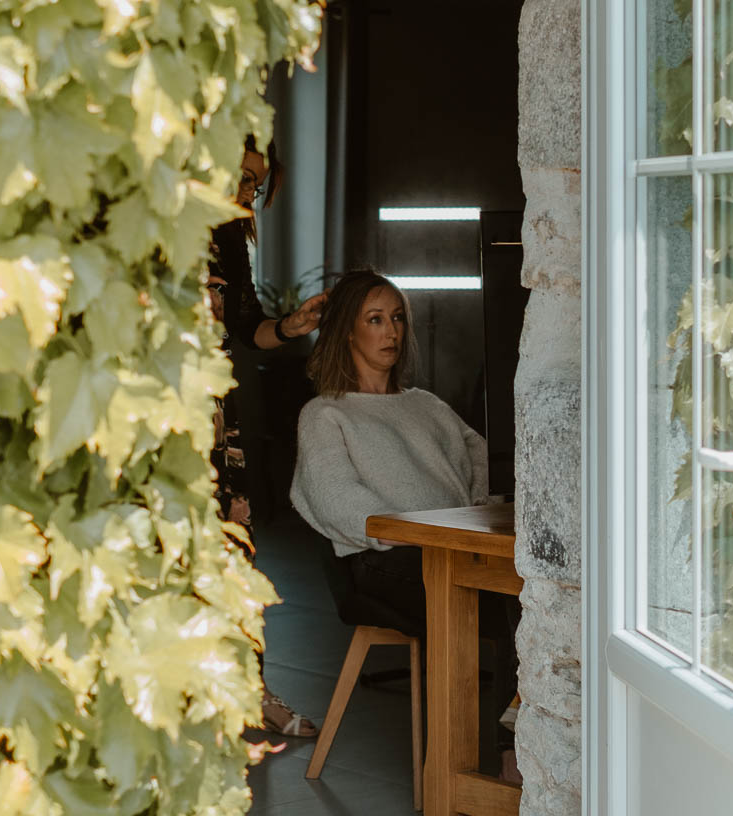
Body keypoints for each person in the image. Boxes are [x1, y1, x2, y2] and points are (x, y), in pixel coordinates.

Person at [289, 271, 519, 778]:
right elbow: (336, 498)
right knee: (490, 596)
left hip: (448, 550)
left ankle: (512, 752)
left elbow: (480, 452)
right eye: (375, 320)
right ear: (347, 332)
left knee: (526, 593)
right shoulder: (325, 413)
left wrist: (473, 510)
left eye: (396, 318)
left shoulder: (427, 406)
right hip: (376, 563)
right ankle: (469, 773)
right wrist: (421, 532)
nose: (390, 331)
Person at [208, 137, 326, 738]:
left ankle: (248, 690)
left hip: (221, 421)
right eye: (242, 175)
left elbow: (248, 328)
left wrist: (291, 325)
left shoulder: (230, 238)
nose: (247, 191)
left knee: (237, 545)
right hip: (156, 417)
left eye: (256, 185)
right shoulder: (157, 227)